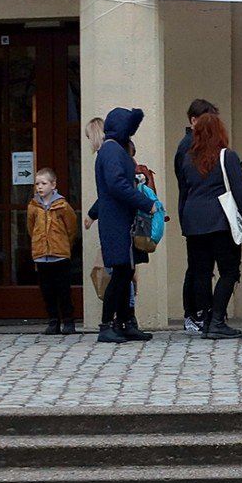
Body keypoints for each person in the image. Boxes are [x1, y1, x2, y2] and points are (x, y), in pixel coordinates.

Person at [177, 110, 242, 339]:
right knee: (229, 271)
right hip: (221, 221)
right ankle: (218, 320)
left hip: (194, 221)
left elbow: (184, 192)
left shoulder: (187, 159)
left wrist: (185, 222)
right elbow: (241, 192)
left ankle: (206, 318)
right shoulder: (227, 156)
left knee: (201, 272)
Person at [86, 107, 153, 343]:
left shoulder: (111, 149)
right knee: (121, 272)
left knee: (125, 272)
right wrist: (147, 203)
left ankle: (124, 322)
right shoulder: (113, 150)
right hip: (117, 220)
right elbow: (116, 186)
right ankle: (107, 324)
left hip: (118, 218)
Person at [173, 99, 218, 329]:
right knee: (198, 267)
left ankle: (197, 312)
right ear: (194, 120)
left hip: (192, 211)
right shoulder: (188, 146)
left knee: (199, 266)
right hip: (194, 212)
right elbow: (186, 181)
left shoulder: (194, 145)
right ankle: (194, 313)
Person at [27, 168, 79, 335]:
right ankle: (53, 320)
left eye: (43, 183)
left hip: (60, 255)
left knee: (63, 290)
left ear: (53, 185)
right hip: (42, 255)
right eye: (37, 184)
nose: (40, 187)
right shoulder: (33, 206)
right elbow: (31, 227)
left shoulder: (62, 205)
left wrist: (64, 244)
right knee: (47, 290)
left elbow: (71, 227)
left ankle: (68, 321)